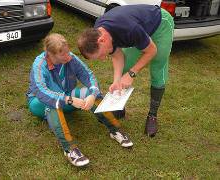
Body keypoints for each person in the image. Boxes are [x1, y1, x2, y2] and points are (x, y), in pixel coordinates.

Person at [26, 33, 133, 167]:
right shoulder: (39, 65)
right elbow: (42, 92)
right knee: (53, 104)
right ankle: (69, 149)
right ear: (50, 54)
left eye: (68, 51)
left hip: (67, 96)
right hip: (39, 103)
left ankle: (115, 130)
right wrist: (69, 100)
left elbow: (88, 75)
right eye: (63, 54)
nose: (68, 56)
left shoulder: (71, 58)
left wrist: (93, 94)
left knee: (90, 92)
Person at [78, 4, 174, 137]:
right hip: (138, 30)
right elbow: (117, 55)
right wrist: (117, 80)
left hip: (160, 23)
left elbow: (151, 51)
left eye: (100, 55)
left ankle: (152, 115)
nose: (101, 59)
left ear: (102, 40)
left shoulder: (129, 29)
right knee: (125, 67)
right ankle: (119, 108)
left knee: (158, 67)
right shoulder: (99, 31)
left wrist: (132, 74)